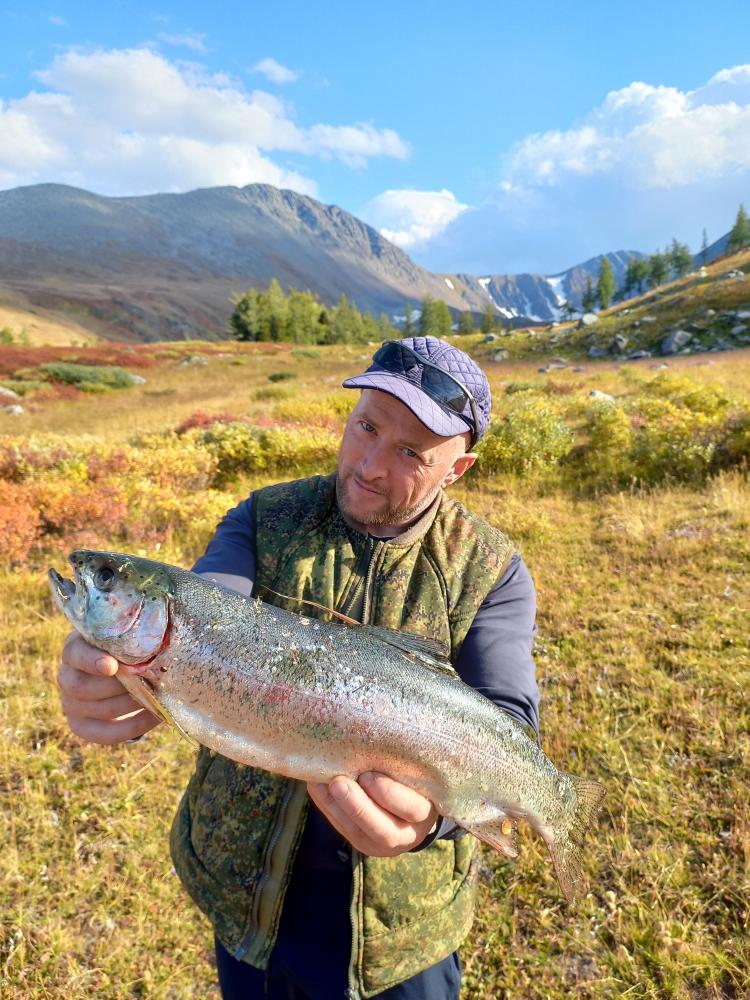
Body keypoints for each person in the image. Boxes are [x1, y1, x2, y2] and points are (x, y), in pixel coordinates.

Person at [58, 336, 539, 1000]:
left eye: (410, 453)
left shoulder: (491, 572)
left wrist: (438, 820)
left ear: (457, 469)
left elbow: (510, 725)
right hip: (247, 908)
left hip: (402, 936)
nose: (368, 465)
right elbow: (208, 612)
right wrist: (121, 686)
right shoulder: (265, 518)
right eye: (365, 426)